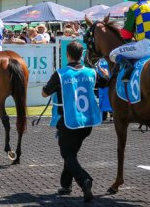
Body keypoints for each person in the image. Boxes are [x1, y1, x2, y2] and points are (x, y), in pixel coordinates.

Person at [42, 41, 104, 202]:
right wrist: (103, 72)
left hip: (70, 121)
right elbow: (105, 83)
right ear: (81, 55)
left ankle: (85, 180)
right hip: (88, 122)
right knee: (71, 154)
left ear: (67, 55)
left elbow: (44, 93)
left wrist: (50, 86)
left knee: (67, 154)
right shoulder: (91, 72)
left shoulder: (61, 74)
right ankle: (66, 185)